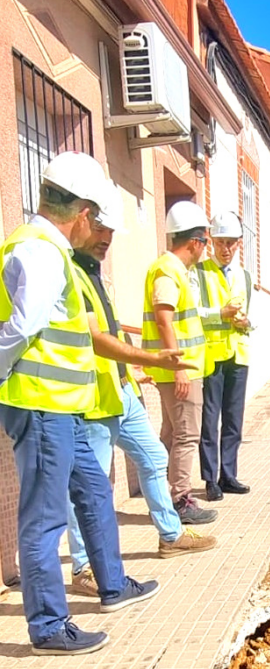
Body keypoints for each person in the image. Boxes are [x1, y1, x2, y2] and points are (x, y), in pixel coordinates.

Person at [0, 152, 159, 655]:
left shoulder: (44, 250)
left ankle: (113, 586)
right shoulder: (43, 251)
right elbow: (22, 328)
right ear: (84, 212)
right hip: (42, 406)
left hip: (63, 407)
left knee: (92, 490)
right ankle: (48, 625)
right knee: (45, 517)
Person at [65, 186, 217, 596]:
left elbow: (112, 329)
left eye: (110, 236)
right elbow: (94, 337)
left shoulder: (95, 273)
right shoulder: (70, 273)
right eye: (100, 233)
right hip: (92, 396)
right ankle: (82, 568)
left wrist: (132, 368)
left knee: (154, 455)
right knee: (89, 484)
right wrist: (158, 359)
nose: (105, 242)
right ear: (80, 221)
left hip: (121, 388)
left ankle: (170, 536)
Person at [142, 202, 216, 525]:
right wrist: (180, 367)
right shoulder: (169, 270)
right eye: (205, 243)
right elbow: (164, 319)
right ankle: (181, 500)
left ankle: (165, 496)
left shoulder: (172, 270)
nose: (204, 249)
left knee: (173, 436)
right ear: (195, 243)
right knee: (186, 436)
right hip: (180, 373)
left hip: (176, 371)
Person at [196, 211, 253, 501]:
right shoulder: (200, 272)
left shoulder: (244, 276)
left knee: (233, 420)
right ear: (212, 242)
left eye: (231, 243)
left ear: (239, 244)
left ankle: (228, 475)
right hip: (212, 356)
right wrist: (221, 313)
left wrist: (246, 323)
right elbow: (192, 313)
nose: (226, 248)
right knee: (210, 420)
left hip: (238, 355)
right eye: (220, 242)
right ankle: (210, 479)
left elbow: (249, 316)